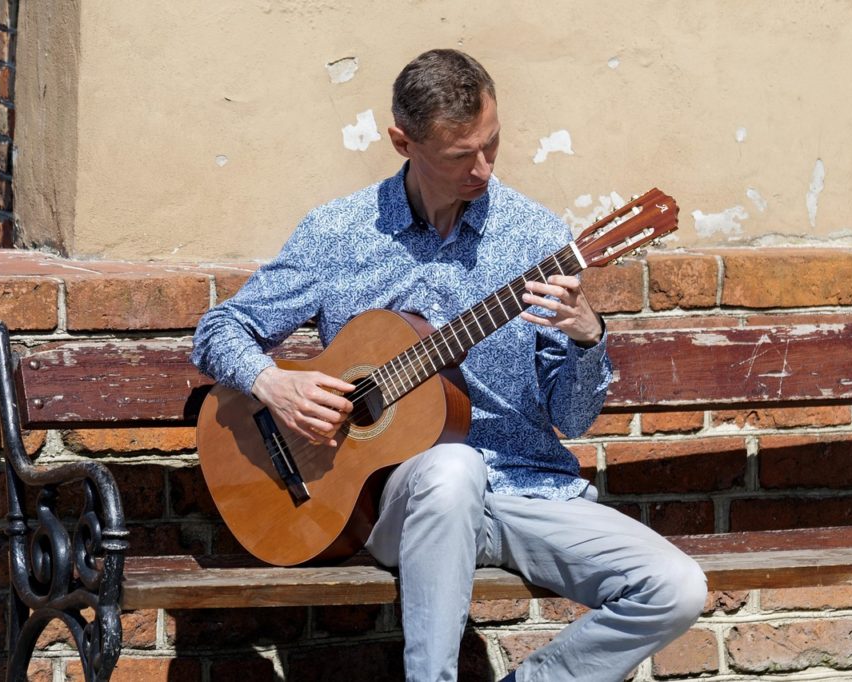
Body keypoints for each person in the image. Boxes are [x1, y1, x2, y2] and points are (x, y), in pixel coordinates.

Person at [191, 48, 706, 682]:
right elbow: (219, 330)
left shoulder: (535, 237)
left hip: (525, 485)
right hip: (390, 500)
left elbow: (573, 420)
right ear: (402, 143)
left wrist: (586, 338)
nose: (483, 169)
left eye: (492, 144)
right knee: (452, 466)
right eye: (461, 156)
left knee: (675, 588)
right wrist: (273, 384)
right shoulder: (339, 233)